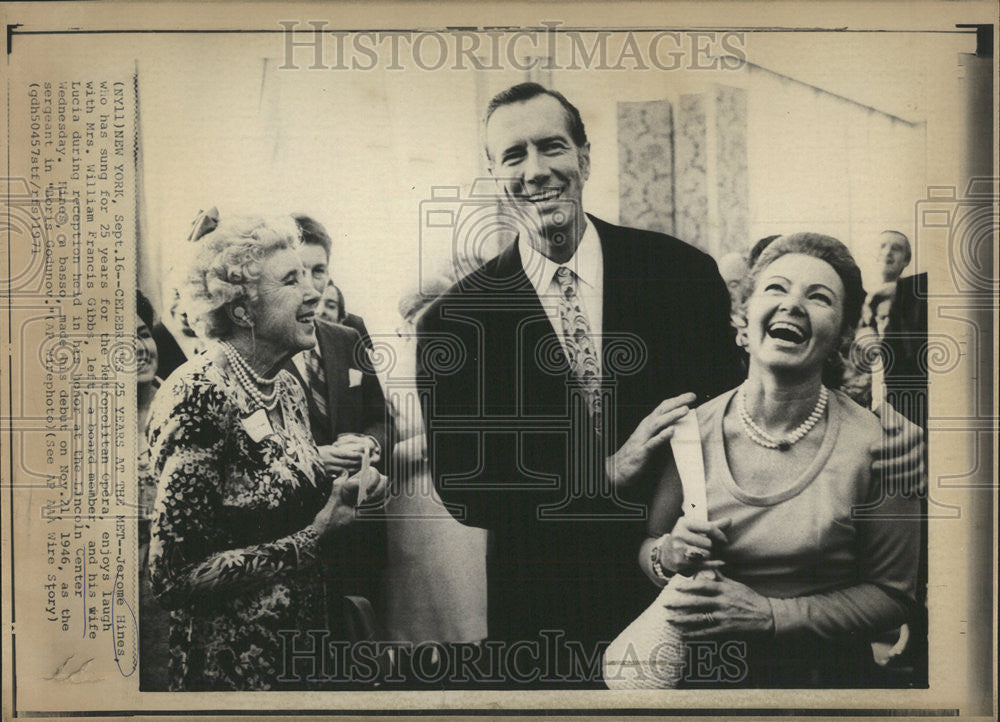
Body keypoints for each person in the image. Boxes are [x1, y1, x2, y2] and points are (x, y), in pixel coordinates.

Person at [417, 82, 745, 682]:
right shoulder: (455, 321)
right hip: (542, 612)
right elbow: (466, 489)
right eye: (513, 156)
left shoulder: (681, 275)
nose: (536, 171)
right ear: (494, 176)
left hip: (681, 594)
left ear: (585, 158)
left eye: (552, 147)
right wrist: (606, 472)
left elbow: (732, 427)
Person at [640, 233, 921, 687]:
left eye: (819, 297)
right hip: (705, 688)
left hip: (826, 688)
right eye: (776, 288)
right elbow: (650, 542)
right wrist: (666, 555)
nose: (793, 304)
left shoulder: (883, 444)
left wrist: (771, 615)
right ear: (741, 317)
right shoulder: (691, 429)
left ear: (844, 334)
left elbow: (893, 596)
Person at [146, 214, 385, 691]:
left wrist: (347, 488)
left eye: (309, 276)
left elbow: (278, 491)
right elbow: (173, 577)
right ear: (242, 310)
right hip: (233, 674)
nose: (314, 293)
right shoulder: (199, 393)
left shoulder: (284, 388)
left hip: (301, 657)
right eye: (291, 280)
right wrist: (318, 533)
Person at [289, 213, 392, 637]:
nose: (311, 285)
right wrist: (317, 457)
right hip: (298, 528)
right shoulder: (263, 345)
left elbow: (380, 415)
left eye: (320, 270)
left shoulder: (347, 338)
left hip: (359, 525)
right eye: (298, 273)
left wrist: (369, 443)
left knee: (361, 639)